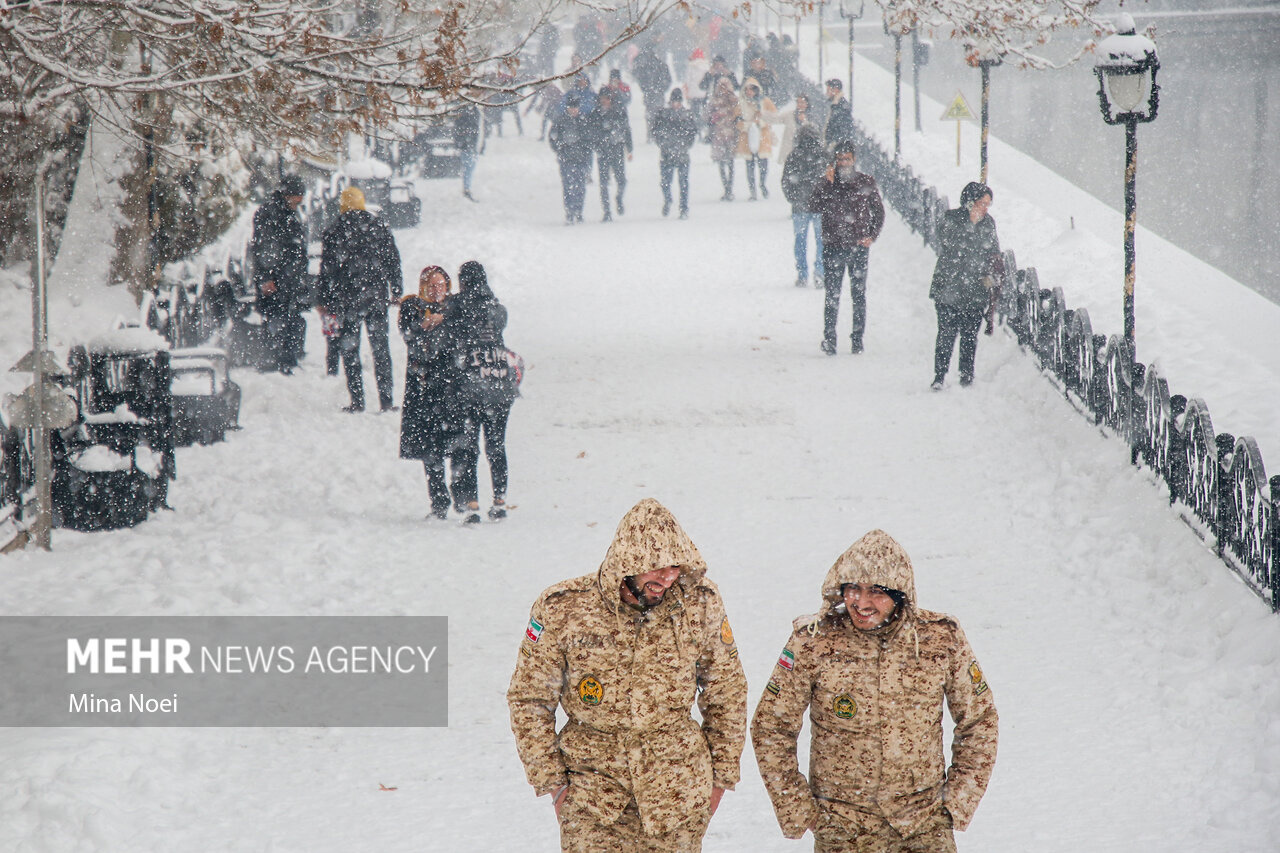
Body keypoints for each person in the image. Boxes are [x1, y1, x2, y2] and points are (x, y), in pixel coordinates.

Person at [507, 497, 748, 852]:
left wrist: (718, 783)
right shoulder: (563, 608)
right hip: (593, 799)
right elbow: (529, 698)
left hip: (678, 797)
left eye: (674, 567)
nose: (666, 577)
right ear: (628, 562)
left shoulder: (700, 604)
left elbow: (726, 691)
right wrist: (554, 785)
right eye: (656, 567)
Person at [751, 529, 999, 853]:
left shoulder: (940, 639)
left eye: (876, 592)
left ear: (900, 594)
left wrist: (955, 803)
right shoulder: (813, 641)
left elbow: (979, 720)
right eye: (853, 588)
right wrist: (800, 810)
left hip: (923, 826)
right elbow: (771, 725)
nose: (861, 602)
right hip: (842, 829)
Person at [318, 186, 402, 412]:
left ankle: (357, 401)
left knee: (350, 350)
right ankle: (386, 401)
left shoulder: (334, 231)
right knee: (381, 350)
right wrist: (396, 289)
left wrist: (324, 299)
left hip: (347, 301)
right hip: (376, 298)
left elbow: (327, 270)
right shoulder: (379, 227)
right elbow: (393, 260)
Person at [447, 261, 517, 522]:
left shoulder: (456, 307)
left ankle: (472, 502)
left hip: (471, 385)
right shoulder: (497, 309)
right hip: (499, 382)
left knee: (469, 446)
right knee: (496, 445)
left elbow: (451, 337)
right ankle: (499, 500)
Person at [398, 266, 468, 520]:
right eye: (432, 286)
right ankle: (438, 501)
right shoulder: (412, 308)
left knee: (459, 443)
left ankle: (460, 495)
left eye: (441, 285)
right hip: (425, 389)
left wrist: (444, 319)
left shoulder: (455, 309)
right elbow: (413, 339)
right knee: (431, 449)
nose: (437, 291)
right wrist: (428, 325)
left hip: (452, 388)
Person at [809, 142, 884, 355]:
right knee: (832, 294)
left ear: (854, 160)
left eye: (847, 159)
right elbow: (813, 206)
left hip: (858, 247)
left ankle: (857, 339)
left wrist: (871, 235)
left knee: (858, 294)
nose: (843, 163)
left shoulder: (864, 182)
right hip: (833, 246)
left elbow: (878, 212)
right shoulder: (828, 184)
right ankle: (830, 339)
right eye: (840, 159)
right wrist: (826, 182)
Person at [930, 182, 1004, 390]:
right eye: (982, 203)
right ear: (970, 202)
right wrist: (969, 225)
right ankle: (940, 375)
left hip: (975, 289)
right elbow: (946, 243)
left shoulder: (988, 223)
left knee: (970, 336)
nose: (985, 208)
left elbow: (993, 253)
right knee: (946, 333)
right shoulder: (951, 218)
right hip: (949, 286)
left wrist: (990, 281)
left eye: (988, 204)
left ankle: (966, 375)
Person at [250, 174, 308, 374]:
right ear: (287, 195)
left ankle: (286, 359)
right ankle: (276, 360)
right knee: (277, 320)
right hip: (278, 279)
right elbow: (263, 248)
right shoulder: (271, 214)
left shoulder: (287, 213)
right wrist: (266, 277)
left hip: (286, 278)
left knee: (287, 319)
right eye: (297, 196)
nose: (300, 200)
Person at [781, 125, 827, 289]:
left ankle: (802, 274)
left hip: (800, 206)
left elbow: (786, 181)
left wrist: (793, 198)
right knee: (821, 241)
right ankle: (820, 273)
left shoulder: (794, 156)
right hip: (820, 206)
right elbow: (831, 181)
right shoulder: (823, 156)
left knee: (800, 240)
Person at [652, 88, 699, 219]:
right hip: (666, 153)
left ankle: (684, 208)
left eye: (677, 101)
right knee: (665, 182)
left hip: (682, 154)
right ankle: (668, 200)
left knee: (683, 183)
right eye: (673, 101)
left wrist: (685, 145)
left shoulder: (687, 115)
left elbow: (693, 132)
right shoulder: (663, 115)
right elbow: (655, 131)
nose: (675, 104)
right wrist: (663, 144)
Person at [587, 88, 633, 221]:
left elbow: (626, 130)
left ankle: (619, 198)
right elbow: (591, 133)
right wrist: (596, 145)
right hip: (602, 151)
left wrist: (629, 149)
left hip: (617, 149)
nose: (604, 101)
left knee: (621, 180)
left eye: (606, 98)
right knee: (603, 182)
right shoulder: (595, 114)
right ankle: (606, 211)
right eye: (602, 98)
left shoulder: (619, 112)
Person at [548, 93, 593, 225]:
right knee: (568, 186)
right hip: (566, 159)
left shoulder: (584, 121)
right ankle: (569, 211)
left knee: (580, 186)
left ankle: (578, 210)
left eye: (575, 107)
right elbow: (552, 138)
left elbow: (589, 139)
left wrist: (584, 150)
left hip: (580, 159)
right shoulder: (560, 121)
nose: (573, 110)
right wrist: (560, 149)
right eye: (571, 107)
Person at [736, 78, 777, 201]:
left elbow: (774, 116)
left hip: (762, 136)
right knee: (749, 165)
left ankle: (762, 184)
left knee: (763, 163)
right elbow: (737, 121)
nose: (749, 92)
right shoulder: (741, 103)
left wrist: (761, 122)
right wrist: (747, 125)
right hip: (746, 137)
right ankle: (752, 190)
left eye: (752, 89)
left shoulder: (765, 102)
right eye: (747, 89)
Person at [706, 76, 740, 201]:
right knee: (721, 162)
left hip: (731, 134)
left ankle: (729, 188)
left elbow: (738, 115)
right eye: (721, 87)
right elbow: (707, 116)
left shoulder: (734, 100)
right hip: (719, 135)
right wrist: (713, 117)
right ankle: (725, 187)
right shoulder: (714, 101)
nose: (723, 90)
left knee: (730, 162)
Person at [631, 41, 672, 141]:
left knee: (653, 113)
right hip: (654, 93)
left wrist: (650, 88)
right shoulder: (659, 65)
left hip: (653, 93)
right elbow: (668, 80)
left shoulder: (650, 66)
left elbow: (640, 78)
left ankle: (653, 132)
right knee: (655, 113)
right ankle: (655, 132)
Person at [454, 102, 482, 201]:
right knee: (469, 166)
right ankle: (467, 188)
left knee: (469, 166)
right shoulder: (472, 113)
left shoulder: (472, 112)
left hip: (469, 145)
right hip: (468, 145)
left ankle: (467, 188)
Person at [823, 78, 855, 152]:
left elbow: (841, 130)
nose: (827, 93)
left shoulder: (841, 107)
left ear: (836, 90)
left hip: (836, 148)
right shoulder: (836, 105)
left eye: (828, 90)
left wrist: (832, 144)